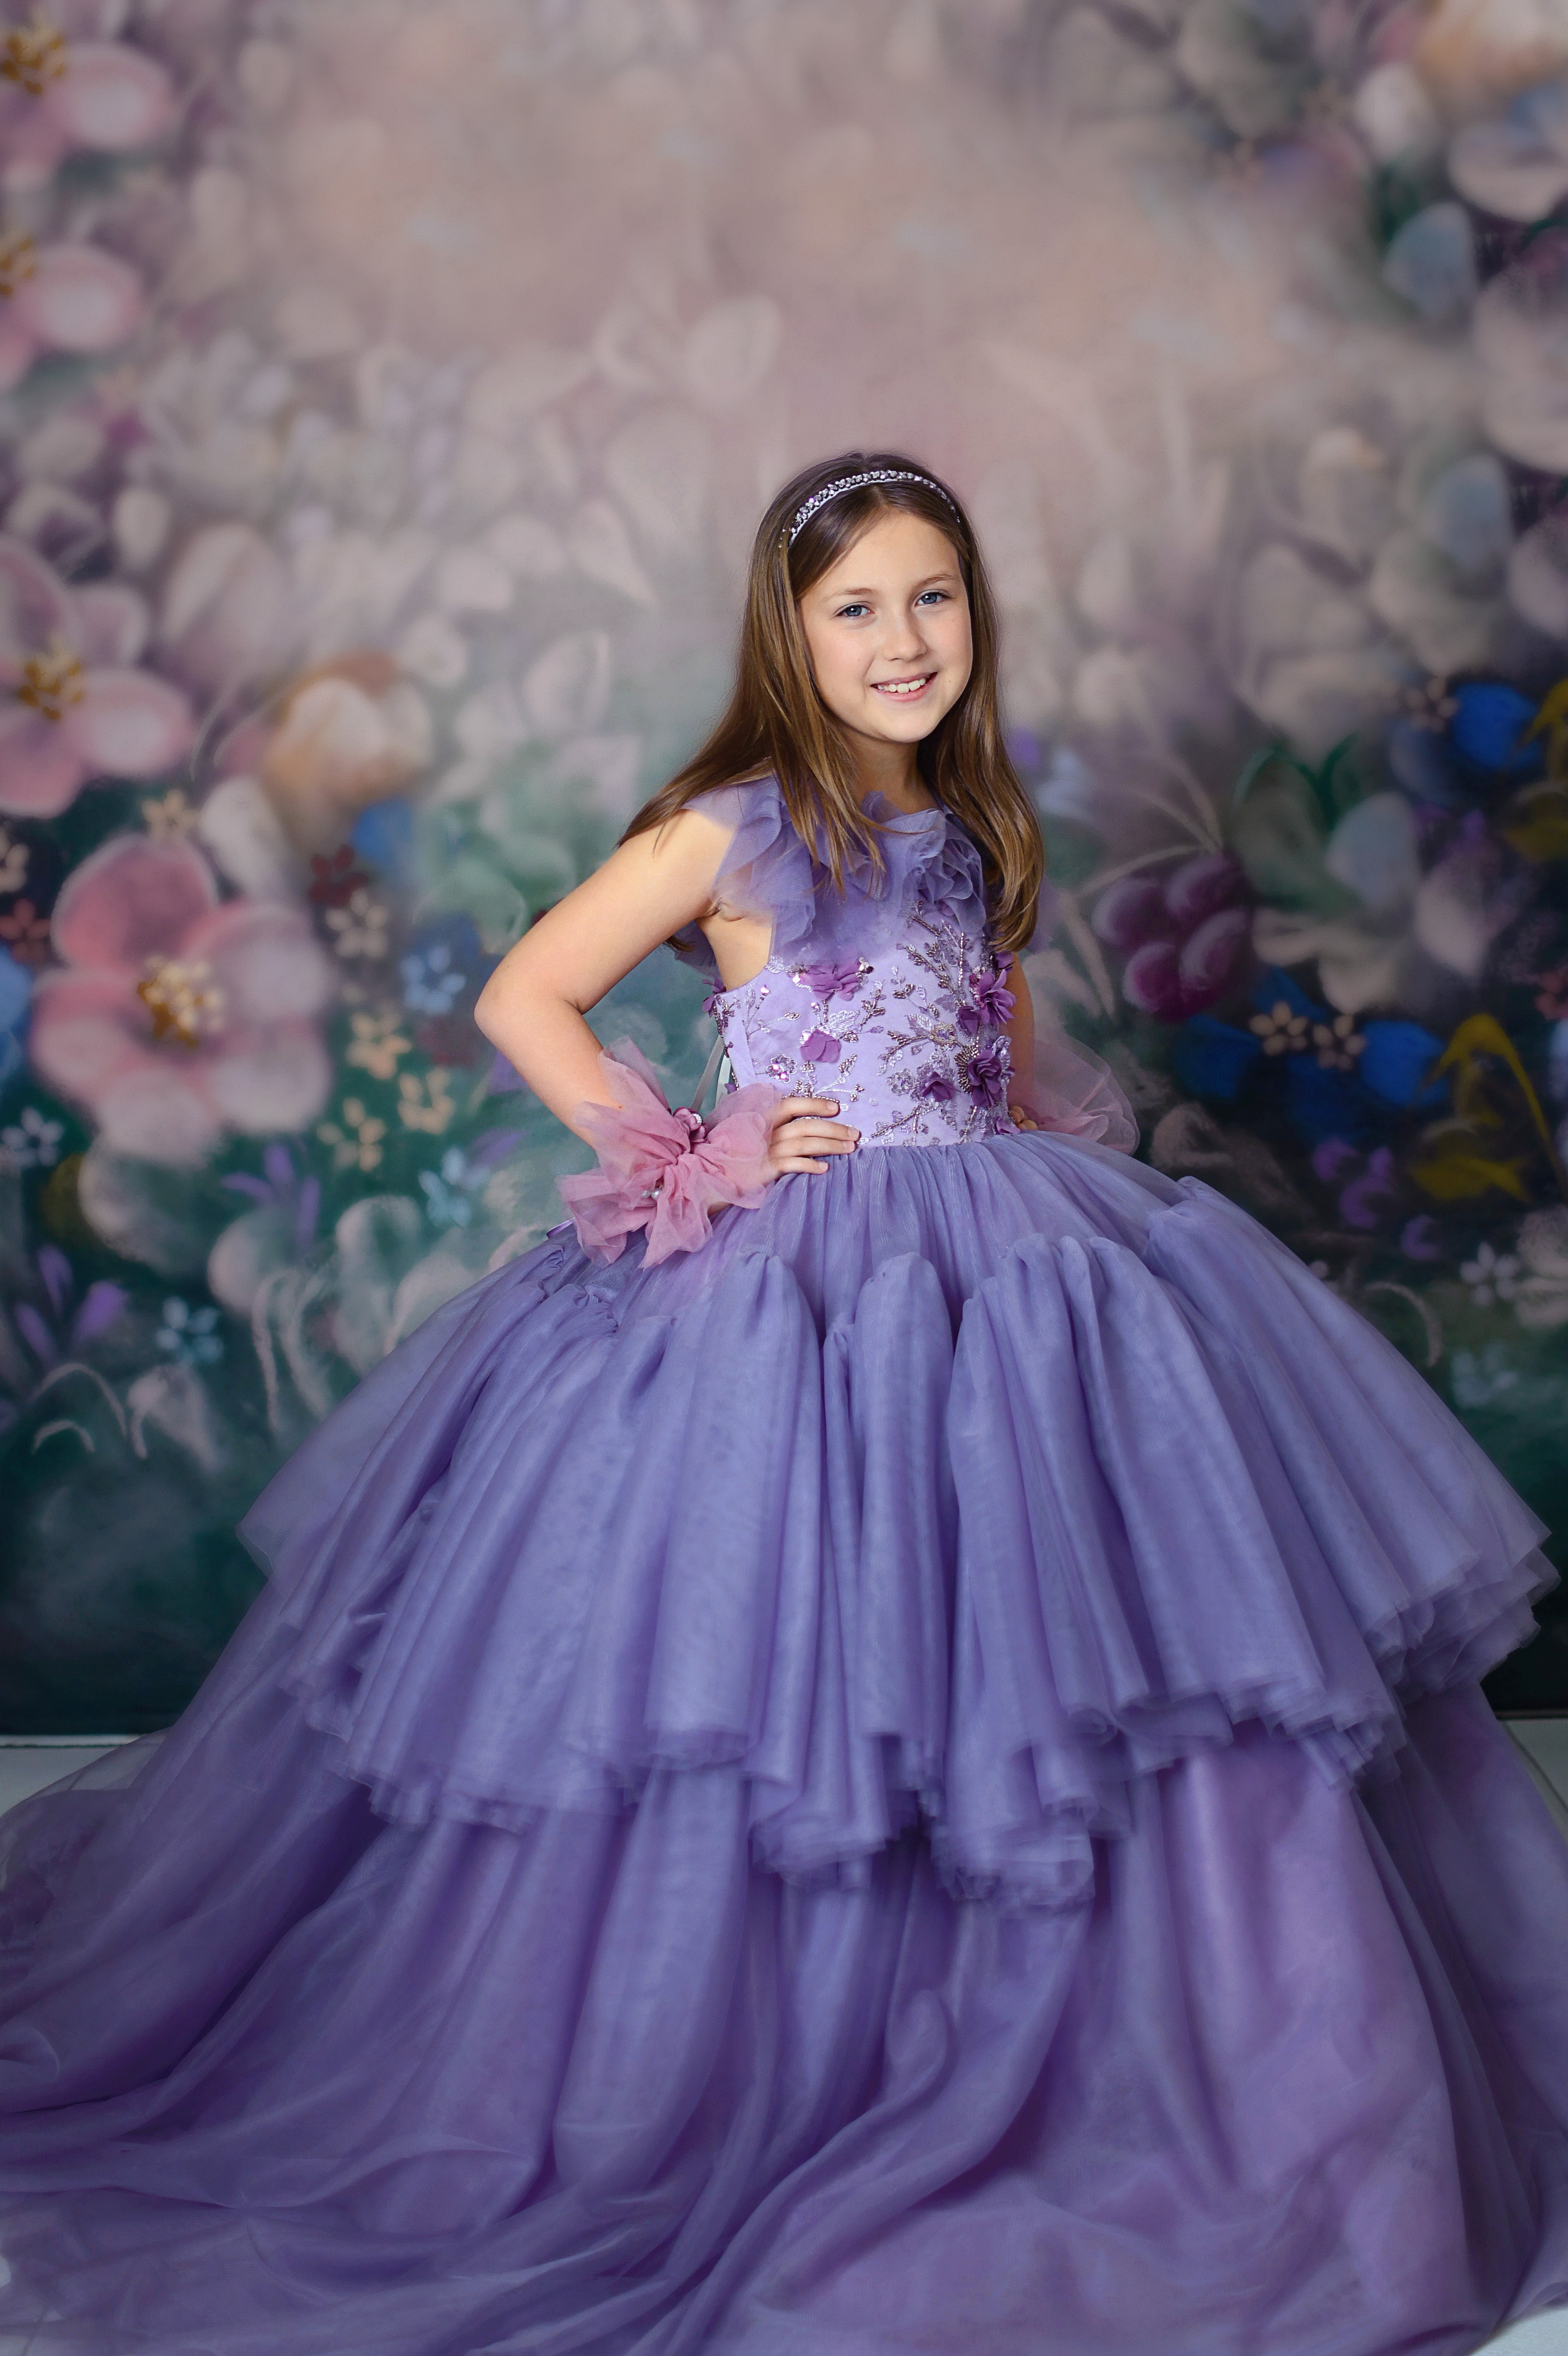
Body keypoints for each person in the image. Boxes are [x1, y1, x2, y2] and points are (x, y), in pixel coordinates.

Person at [1, 452, 1567, 2356]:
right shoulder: (735, 824)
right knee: (791, 1668)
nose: (903, 641)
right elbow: (525, 995)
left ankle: (1119, 2024)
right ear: (790, 633)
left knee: (1062, 1651)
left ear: (974, 616)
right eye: (856, 609)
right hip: (802, 1297)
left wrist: (1038, 1148)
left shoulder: (980, 820)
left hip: (1001, 1267)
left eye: (934, 599)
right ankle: (756, 2039)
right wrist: (689, 1146)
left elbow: (991, 1036)